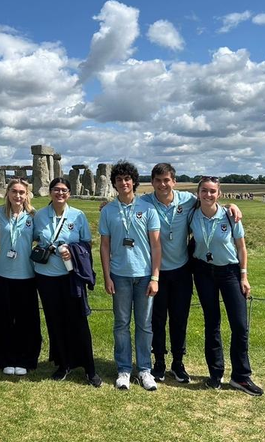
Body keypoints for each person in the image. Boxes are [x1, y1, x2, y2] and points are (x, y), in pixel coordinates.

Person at [139, 163, 241, 384]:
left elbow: (210, 201)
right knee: (157, 320)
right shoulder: (144, 202)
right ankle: (159, 362)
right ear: (152, 182)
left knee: (179, 318)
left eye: (167, 180)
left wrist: (231, 205)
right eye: (158, 180)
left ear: (174, 182)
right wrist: (107, 205)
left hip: (182, 270)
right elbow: (126, 204)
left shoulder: (187, 200)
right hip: (156, 271)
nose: (163, 185)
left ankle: (178, 363)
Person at [190, 176, 263, 396]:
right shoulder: (192, 214)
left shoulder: (230, 215)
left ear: (219, 194)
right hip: (203, 271)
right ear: (198, 193)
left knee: (239, 325)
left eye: (212, 191)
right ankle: (215, 373)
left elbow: (241, 248)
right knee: (212, 323)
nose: (208, 195)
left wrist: (244, 276)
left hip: (230, 272)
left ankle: (241, 376)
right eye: (204, 190)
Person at [34, 177, 102, 387]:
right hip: (46, 276)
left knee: (79, 321)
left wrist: (72, 251)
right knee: (55, 321)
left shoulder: (78, 215)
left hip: (71, 276)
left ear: (69, 193)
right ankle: (63, 364)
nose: (60, 193)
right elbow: (34, 238)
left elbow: (87, 244)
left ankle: (89, 368)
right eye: (56, 189)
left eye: (64, 190)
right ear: (50, 192)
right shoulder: (40, 215)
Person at [100, 161, 161, 391]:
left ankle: (144, 369)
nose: (123, 183)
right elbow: (104, 246)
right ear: (114, 183)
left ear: (134, 181)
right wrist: (107, 276)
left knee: (144, 325)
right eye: (119, 179)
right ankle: (124, 369)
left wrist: (155, 277)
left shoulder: (148, 208)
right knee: (121, 324)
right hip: (119, 275)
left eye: (127, 179)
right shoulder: (108, 211)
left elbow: (156, 246)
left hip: (144, 275)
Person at [0, 178, 41, 376]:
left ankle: (25, 358)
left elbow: (42, 236)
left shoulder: (33, 215)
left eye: (22, 192)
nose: (18, 195)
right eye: (14, 191)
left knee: (26, 320)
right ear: (8, 193)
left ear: (27, 194)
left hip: (26, 273)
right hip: (4, 272)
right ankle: (4, 358)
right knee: (4, 319)